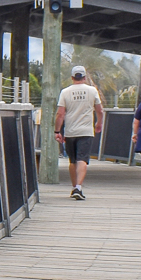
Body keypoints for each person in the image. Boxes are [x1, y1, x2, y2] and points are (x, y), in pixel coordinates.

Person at [53, 64, 104, 199]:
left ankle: (74, 186)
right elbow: (100, 110)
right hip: (86, 130)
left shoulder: (65, 92)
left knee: (73, 160)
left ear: (72, 77)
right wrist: (99, 123)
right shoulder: (92, 91)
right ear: (85, 77)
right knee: (83, 159)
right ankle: (79, 187)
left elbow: (60, 114)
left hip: (70, 131)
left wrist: (57, 131)